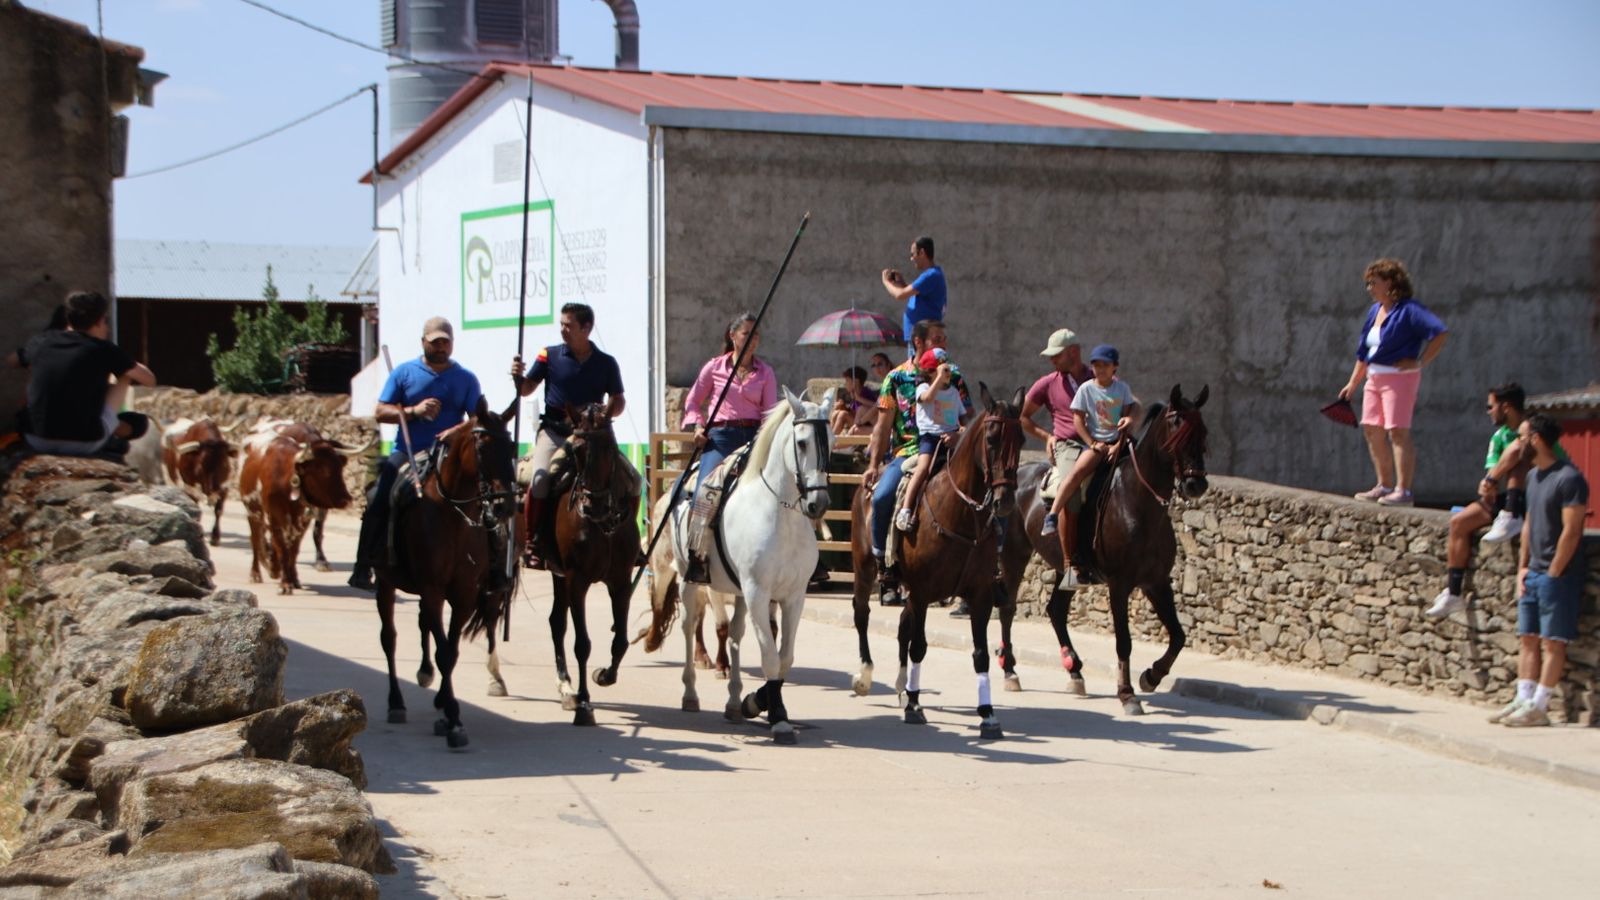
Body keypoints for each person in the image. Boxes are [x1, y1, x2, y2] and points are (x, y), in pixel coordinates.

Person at [349, 316, 483, 590]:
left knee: (487, 496)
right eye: (435, 342)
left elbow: (477, 419)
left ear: (452, 344)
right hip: (409, 451)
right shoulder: (404, 373)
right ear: (424, 342)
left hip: (449, 454)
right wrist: (413, 411)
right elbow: (380, 411)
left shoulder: (466, 379)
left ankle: (491, 565)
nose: (440, 347)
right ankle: (365, 562)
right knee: (379, 496)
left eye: (445, 342)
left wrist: (456, 432)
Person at [511, 302, 636, 570]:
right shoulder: (549, 355)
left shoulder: (606, 362)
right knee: (541, 479)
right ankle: (532, 541)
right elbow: (526, 390)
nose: (563, 330)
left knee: (634, 481)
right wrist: (517, 378)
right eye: (562, 324)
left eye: (569, 325)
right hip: (555, 433)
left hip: (593, 436)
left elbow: (619, 399)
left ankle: (630, 543)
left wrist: (607, 412)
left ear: (586, 328)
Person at [1426, 382, 1564, 618]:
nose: (1488, 411)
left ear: (1506, 407)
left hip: (1539, 495)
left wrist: (1490, 479)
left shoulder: (1532, 430)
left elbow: (1535, 462)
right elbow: (1494, 470)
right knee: (1459, 523)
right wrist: (1488, 483)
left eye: (1491, 406)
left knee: (1519, 456)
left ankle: (1511, 515)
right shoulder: (1499, 437)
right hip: (1508, 494)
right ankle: (1454, 593)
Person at [1488, 414, 1589, 728]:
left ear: (1536, 439)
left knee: (1552, 642)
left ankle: (1540, 706)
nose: (1517, 444)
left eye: (1521, 437)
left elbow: (1571, 531)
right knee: (1527, 638)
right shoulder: (1533, 477)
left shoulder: (1569, 478)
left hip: (1556, 576)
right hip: (1532, 573)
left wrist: (1554, 571)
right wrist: (1523, 567)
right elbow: (1530, 524)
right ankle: (1523, 697)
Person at [863, 319, 973, 604]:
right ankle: (885, 568)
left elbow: (968, 418)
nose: (943, 344)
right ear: (919, 343)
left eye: (944, 339)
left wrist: (959, 434)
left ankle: (990, 566)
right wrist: (874, 464)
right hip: (910, 451)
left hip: (951, 449)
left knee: (990, 491)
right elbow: (883, 426)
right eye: (937, 339)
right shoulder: (896, 378)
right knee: (882, 497)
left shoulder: (955, 376)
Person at [1338, 258, 1450, 507]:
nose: (1369, 288)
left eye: (1373, 283)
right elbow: (1364, 351)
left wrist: (1420, 362)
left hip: (1399, 378)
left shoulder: (1409, 309)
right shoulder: (1374, 311)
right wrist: (1353, 383)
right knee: (1372, 429)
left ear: (1390, 282)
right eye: (1368, 283)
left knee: (1397, 431)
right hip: (1374, 377)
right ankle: (1384, 485)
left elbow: (1440, 332)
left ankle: (1403, 490)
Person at [678, 312, 778, 582]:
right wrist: (698, 426)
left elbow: (769, 414)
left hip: (753, 439)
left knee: (785, 485)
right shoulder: (714, 368)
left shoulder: (765, 372)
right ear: (732, 336)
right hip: (720, 438)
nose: (752, 339)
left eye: (755, 334)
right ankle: (698, 555)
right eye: (746, 333)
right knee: (704, 491)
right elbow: (692, 402)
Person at [21, 291, 155, 457]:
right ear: (99, 321)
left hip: (35, 438)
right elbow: (149, 380)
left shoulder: (43, 341)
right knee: (127, 378)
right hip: (83, 443)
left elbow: (12, 360)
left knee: (33, 366)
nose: (107, 327)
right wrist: (123, 364)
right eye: (106, 321)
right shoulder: (104, 349)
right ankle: (112, 433)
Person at [1053, 344, 1139, 589]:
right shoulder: (1067, 386)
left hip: (1117, 443)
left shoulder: (1120, 387)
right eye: (1096, 365)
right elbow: (1077, 419)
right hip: (1080, 444)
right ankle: (1070, 559)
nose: (1099, 369)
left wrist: (1122, 437)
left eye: (1104, 365)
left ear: (1114, 368)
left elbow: (1130, 411)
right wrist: (1093, 443)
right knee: (1075, 489)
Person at [1025, 328, 1093, 548]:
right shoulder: (1047, 383)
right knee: (1070, 487)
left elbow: (1127, 402)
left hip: (1101, 443)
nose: (1052, 360)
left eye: (1057, 354)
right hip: (1069, 446)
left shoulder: (1097, 377)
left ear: (1074, 351)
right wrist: (1047, 436)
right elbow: (1022, 416)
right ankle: (1070, 561)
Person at [894, 348, 962, 532]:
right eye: (940, 371)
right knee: (923, 468)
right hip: (930, 438)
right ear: (930, 372)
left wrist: (959, 433)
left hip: (952, 438)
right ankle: (906, 509)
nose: (947, 375)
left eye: (948, 372)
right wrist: (939, 379)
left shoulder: (954, 392)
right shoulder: (922, 388)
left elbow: (963, 418)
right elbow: (927, 398)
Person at [880, 236, 946, 357]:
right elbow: (913, 294)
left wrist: (886, 282)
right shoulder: (932, 275)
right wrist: (902, 284)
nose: (911, 259)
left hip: (922, 338)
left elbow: (899, 295)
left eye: (913, 254)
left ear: (922, 252)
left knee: (918, 374)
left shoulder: (930, 275)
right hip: (920, 337)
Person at [830, 365, 878, 437]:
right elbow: (854, 412)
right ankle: (830, 435)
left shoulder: (866, 393)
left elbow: (876, 405)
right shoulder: (853, 393)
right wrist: (844, 407)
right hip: (857, 422)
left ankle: (832, 439)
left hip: (866, 424)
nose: (845, 384)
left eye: (847, 381)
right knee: (837, 413)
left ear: (856, 381)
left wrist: (859, 398)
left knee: (843, 414)